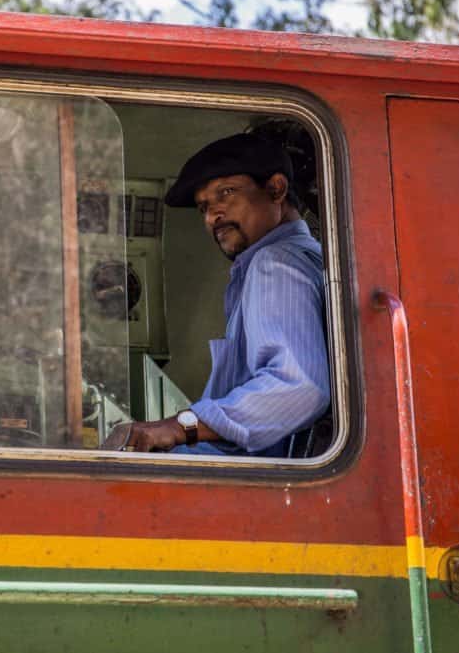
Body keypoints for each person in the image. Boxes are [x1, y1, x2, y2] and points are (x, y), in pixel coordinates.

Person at [122, 133, 330, 457]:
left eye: (226, 194)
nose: (210, 217)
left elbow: (298, 388)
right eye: (204, 206)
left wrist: (181, 428)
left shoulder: (275, 262)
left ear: (276, 189)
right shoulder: (299, 258)